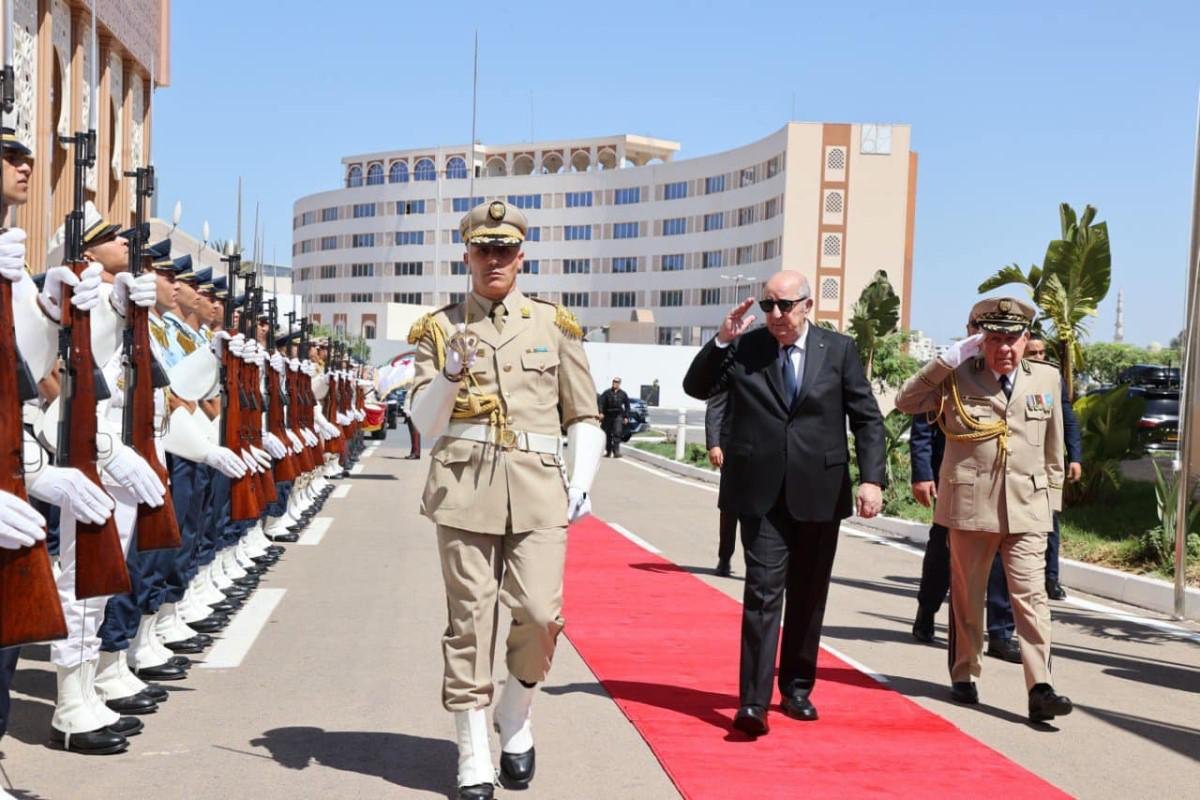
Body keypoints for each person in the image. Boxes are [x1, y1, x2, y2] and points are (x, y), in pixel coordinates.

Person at [408, 200, 604, 800]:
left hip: (539, 489)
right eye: (483, 249)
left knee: (541, 614)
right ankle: (472, 751)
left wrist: (582, 480)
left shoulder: (553, 325)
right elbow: (423, 423)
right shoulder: (439, 329)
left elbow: (584, 413)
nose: (493, 259)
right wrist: (448, 375)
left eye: (504, 249)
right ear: (466, 256)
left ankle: (515, 711)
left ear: (521, 257)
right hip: (464, 487)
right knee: (469, 621)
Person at [683, 271, 885, 737]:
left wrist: (872, 479)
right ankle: (753, 703)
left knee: (808, 596)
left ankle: (796, 688)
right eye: (768, 306)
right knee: (762, 592)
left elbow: (867, 418)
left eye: (785, 305)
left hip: (821, 491)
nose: (775, 315)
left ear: (807, 305)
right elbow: (697, 387)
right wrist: (721, 340)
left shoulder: (839, 350)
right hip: (760, 493)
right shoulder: (746, 346)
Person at [896, 297, 1073, 724]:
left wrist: (1051, 504)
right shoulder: (957, 376)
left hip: (1027, 508)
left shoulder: (1046, 377)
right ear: (980, 340)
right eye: (995, 339)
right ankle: (964, 673)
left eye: (1013, 339)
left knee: (1032, 598)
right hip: (971, 506)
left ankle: (1041, 687)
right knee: (968, 595)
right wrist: (948, 359)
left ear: (1026, 339)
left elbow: (1054, 449)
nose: (1004, 349)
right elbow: (906, 401)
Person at [910, 315, 1020, 664]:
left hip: (1002, 485)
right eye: (981, 329)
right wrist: (922, 474)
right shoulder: (952, 371)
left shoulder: (1015, 374)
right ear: (971, 331)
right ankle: (927, 611)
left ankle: (1001, 633)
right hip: (955, 483)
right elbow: (923, 427)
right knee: (942, 554)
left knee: (1001, 559)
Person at [1024, 334, 1082, 600]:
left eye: (1041, 352)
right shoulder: (1013, 381)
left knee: (1050, 525)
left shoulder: (1052, 379)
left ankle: (1051, 579)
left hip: (1045, 467)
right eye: (1032, 353)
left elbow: (1067, 419)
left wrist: (1075, 457)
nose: (1038, 357)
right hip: (1016, 468)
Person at [704, 390, 737, 576]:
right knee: (730, 506)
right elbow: (715, 408)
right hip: (731, 448)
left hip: (763, 448)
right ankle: (725, 557)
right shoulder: (729, 373)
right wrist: (714, 444)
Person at [598, 377, 631, 457]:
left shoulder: (623, 394)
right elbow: (600, 402)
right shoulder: (607, 392)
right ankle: (608, 451)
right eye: (613, 381)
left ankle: (616, 451)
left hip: (618, 415)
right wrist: (601, 412)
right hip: (608, 415)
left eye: (616, 382)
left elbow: (627, 406)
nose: (614, 383)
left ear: (619, 384)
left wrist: (626, 417)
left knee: (617, 432)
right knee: (608, 434)